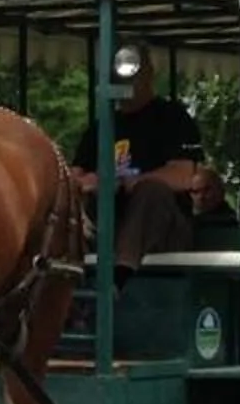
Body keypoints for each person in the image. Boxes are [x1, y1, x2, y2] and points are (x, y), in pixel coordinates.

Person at [69, 56, 206, 269]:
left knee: (151, 191)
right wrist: (89, 184)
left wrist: (126, 182)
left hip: (165, 231)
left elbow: (184, 176)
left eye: (131, 76)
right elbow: (74, 175)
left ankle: (120, 273)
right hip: (109, 225)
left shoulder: (173, 118)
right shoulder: (101, 127)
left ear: (149, 76)